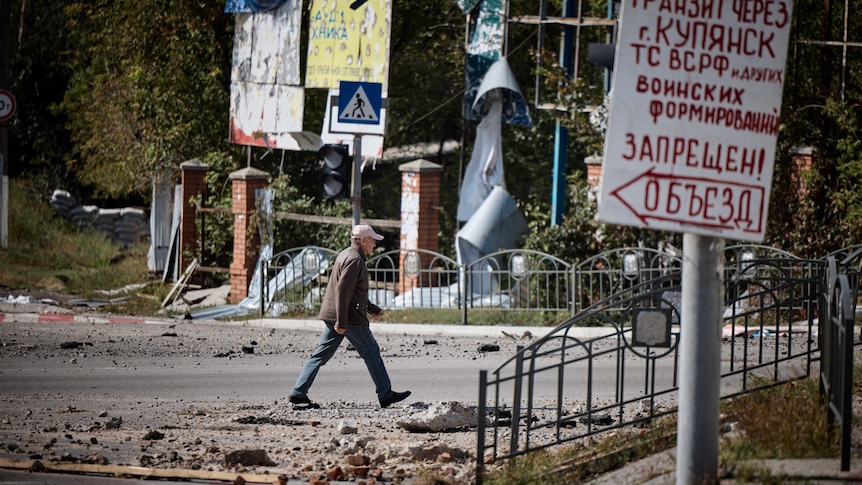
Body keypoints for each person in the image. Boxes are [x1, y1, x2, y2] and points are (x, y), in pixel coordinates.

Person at [288, 224, 411, 408]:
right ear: (363, 240)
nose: (375, 246)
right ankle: (385, 394)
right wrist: (342, 322)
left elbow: (353, 292)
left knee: (320, 355)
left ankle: (298, 392)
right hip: (349, 318)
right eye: (373, 242)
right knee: (372, 352)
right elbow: (343, 291)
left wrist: (371, 308)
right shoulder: (355, 259)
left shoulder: (347, 254)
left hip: (340, 315)